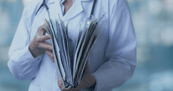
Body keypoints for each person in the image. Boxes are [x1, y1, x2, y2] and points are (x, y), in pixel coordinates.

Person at [7, 0, 136, 91]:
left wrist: (92, 81)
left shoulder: (113, 3)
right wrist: (32, 51)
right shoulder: (36, 6)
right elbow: (17, 71)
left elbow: (124, 62)